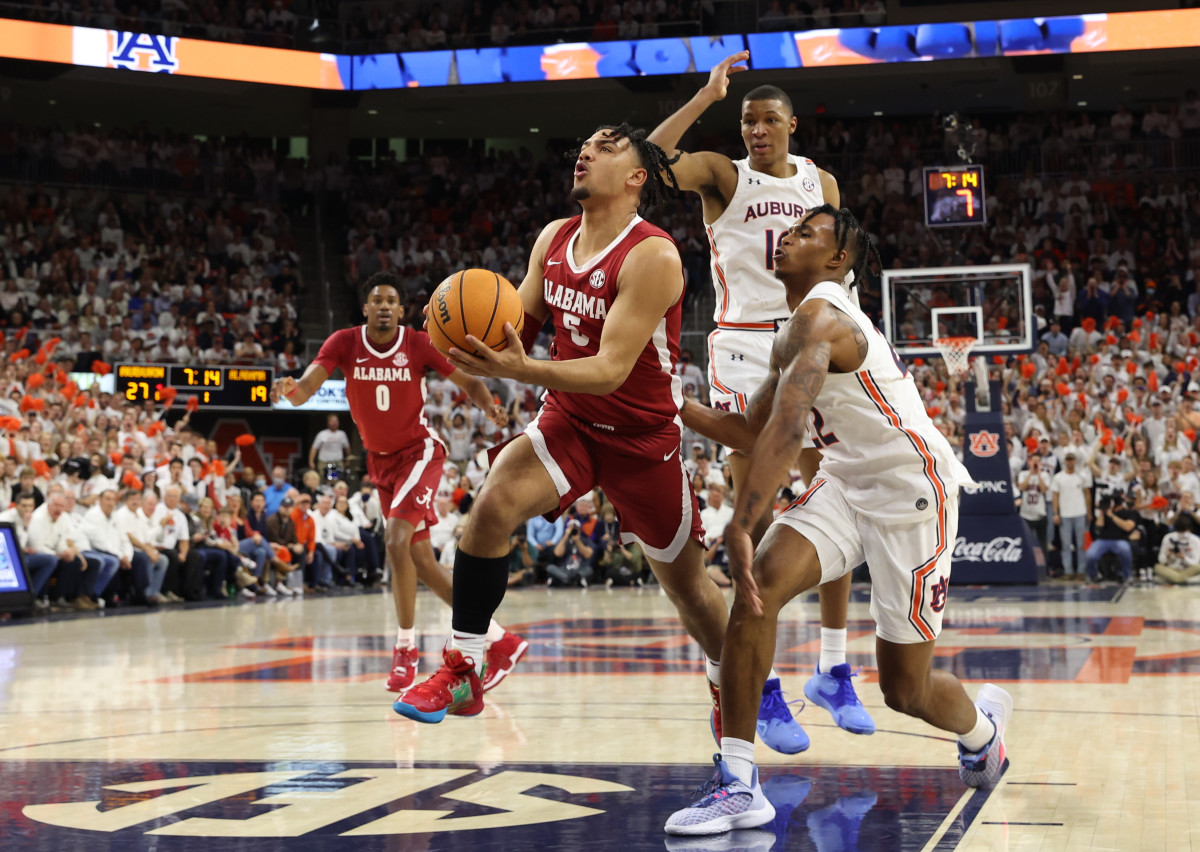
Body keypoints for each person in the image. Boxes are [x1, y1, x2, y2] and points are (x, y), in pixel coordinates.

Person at [395, 123, 806, 756]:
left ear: (638, 177)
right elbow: (519, 329)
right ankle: (466, 664)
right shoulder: (553, 239)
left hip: (644, 438)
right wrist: (458, 337)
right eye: (583, 144)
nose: (584, 152)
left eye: (606, 148)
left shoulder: (653, 255)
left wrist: (519, 369)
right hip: (572, 421)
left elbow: (611, 367)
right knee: (492, 505)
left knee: (692, 595)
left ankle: (753, 682)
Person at [665, 207, 1011, 835]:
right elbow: (750, 427)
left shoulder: (823, 315)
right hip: (847, 481)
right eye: (789, 227)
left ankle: (984, 733)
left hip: (912, 492)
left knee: (905, 691)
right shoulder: (794, 326)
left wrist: (742, 523)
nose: (789, 234)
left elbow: (790, 426)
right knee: (756, 591)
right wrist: (675, 404)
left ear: (836, 260)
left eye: (808, 232)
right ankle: (738, 783)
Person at [648, 53, 871, 739]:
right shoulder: (723, 173)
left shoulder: (821, 181)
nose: (756, 130)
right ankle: (762, 683)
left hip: (811, 336)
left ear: (792, 125)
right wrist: (706, 96)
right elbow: (650, 161)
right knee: (756, 507)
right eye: (748, 120)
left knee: (836, 494)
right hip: (745, 345)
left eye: (769, 119)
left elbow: (837, 263)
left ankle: (833, 670)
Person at [272, 271, 526, 694]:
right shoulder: (344, 342)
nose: (385, 306)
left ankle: (405, 648)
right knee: (422, 561)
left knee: (395, 540)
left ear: (402, 310)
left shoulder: (420, 343)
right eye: (378, 300)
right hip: (380, 462)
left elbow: (467, 382)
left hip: (420, 452)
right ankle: (499, 639)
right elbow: (308, 388)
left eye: (392, 300)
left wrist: (490, 407)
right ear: (366, 308)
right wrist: (291, 390)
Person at [1051, 451, 1093, 581]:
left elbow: (1087, 494)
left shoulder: (1081, 476)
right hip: (1065, 514)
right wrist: (1056, 513)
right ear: (1065, 462)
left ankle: (1081, 570)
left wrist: (1089, 511)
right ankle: (1068, 571)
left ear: (1075, 461)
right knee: (1066, 544)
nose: (1070, 462)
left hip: (1080, 512)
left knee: (1081, 544)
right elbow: (1055, 496)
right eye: (1068, 460)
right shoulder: (1058, 477)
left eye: (1072, 460)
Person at [1153, 513, 1200, 584]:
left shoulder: (1195, 540)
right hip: (1171, 569)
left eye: (1184, 531)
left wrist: (1184, 558)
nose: (1181, 534)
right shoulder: (1168, 538)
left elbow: (1195, 562)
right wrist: (1167, 556)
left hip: (1188, 569)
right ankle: (1183, 579)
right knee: (1157, 567)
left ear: (1189, 530)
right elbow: (1161, 560)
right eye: (1179, 531)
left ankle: (1177, 579)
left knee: (1198, 567)